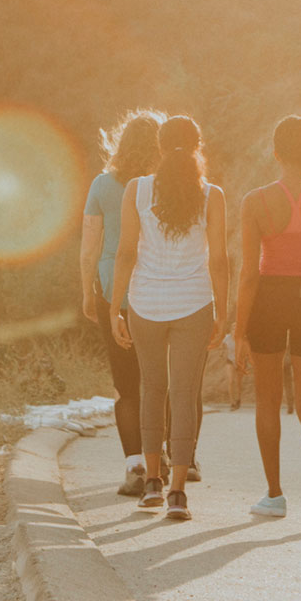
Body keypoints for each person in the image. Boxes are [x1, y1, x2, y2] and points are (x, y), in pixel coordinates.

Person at [111, 115, 227, 521]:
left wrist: (115, 307)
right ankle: (179, 492)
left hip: (145, 303)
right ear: (198, 146)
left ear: (160, 147)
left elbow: (125, 252)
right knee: (183, 394)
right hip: (195, 304)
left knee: (152, 390)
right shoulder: (212, 195)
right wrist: (223, 314)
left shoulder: (137, 190)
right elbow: (219, 260)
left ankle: (153, 486)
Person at [235, 115, 301, 527]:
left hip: (269, 298)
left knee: (267, 403)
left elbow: (249, 273)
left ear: (276, 152)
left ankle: (275, 495)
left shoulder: (255, 201)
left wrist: (239, 329)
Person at [80, 110, 166, 496]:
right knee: (157, 382)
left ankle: (135, 466)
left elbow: (89, 249)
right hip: (159, 289)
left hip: (112, 292)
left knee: (126, 387)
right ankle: (160, 460)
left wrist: (87, 292)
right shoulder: (166, 185)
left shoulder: (101, 184)